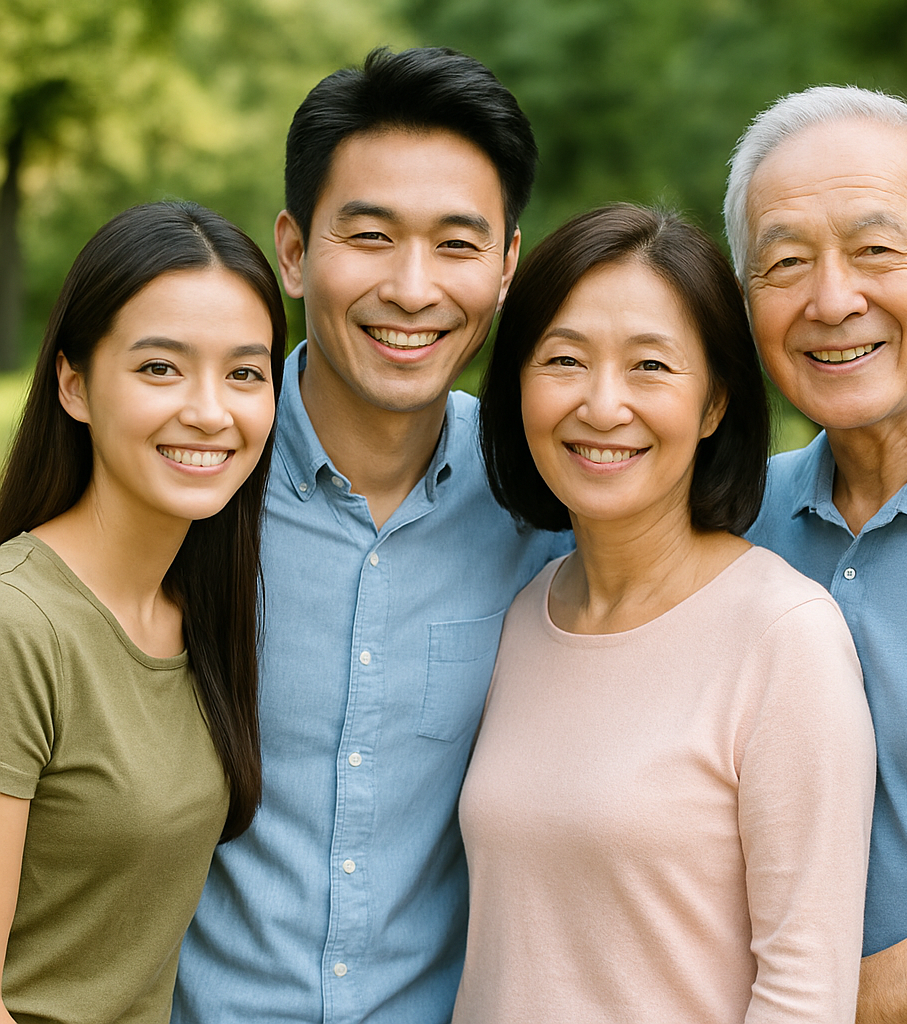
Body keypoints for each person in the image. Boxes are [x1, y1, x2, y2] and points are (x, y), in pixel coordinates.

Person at [173, 47, 568, 1024]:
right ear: (296, 250)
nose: (411, 287)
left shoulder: (553, 500)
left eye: (457, 244)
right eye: (372, 235)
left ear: (508, 265)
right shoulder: (190, 476)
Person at [450, 203, 876, 1024]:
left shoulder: (785, 637)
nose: (604, 406)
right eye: (564, 360)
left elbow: (804, 994)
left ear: (715, 403)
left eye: (650, 366)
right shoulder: (522, 615)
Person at [725, 85, 907, 1023]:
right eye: (784, 263)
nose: (832, 299)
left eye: (876, 250)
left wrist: (823, 1010)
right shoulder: (724, 524)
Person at [0, 201, 286, 1024]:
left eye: (245, 372)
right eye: (161, 367)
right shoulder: (21, 626)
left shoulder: (194, 611)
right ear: (74, 383)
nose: (209, 410)